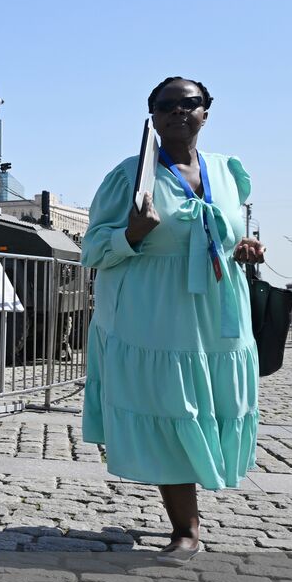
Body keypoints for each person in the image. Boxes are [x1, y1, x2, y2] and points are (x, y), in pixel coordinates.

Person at [82, 77, 265, 555]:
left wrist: (241, 247)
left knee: (213, 407)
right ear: (152, 115)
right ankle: (186, 528)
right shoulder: (129, 175)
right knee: (174, 409)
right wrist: (133, 233)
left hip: (218, 314)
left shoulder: (228, 172)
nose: (178, 112)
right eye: (166, 105)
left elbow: (223, 233)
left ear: (207, 112)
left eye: (190, 104)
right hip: (155, 318)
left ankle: (192, 516)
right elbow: (93, 249)